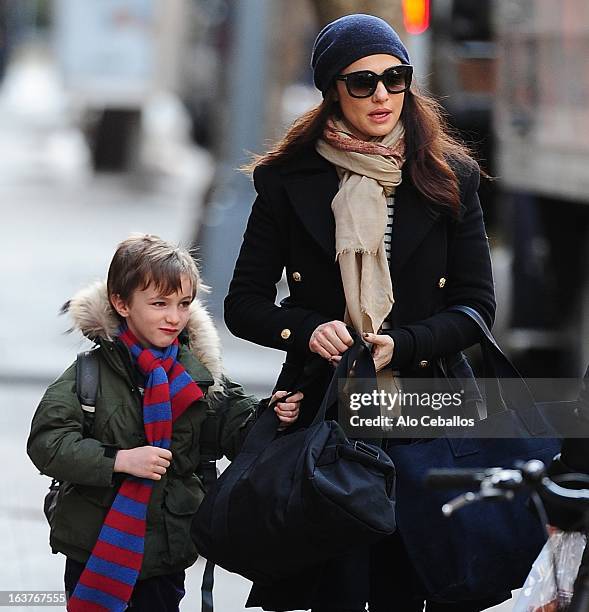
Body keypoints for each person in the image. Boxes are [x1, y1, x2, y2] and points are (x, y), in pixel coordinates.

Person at [225, 13, 498, 612]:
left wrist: (401, 344)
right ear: (331, 91)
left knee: (411, 578)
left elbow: (477, 308)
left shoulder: (451, 177)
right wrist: (307, 329)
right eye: (362, 82)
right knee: (333, 582)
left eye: (395, 78)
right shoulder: (285, 181)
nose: (382, 95)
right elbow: (242, 305)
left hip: (424, 405)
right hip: (326, 408)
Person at [27, 234, 302, 612]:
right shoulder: (89, 373)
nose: (174, 317)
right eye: (159, 304)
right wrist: (119, 460)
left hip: (166, 552)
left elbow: (236, 430)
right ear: (121, 304)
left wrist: (271, 416)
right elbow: (47, 442)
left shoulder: (199, 374)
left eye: (184, 304)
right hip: (95, 545)